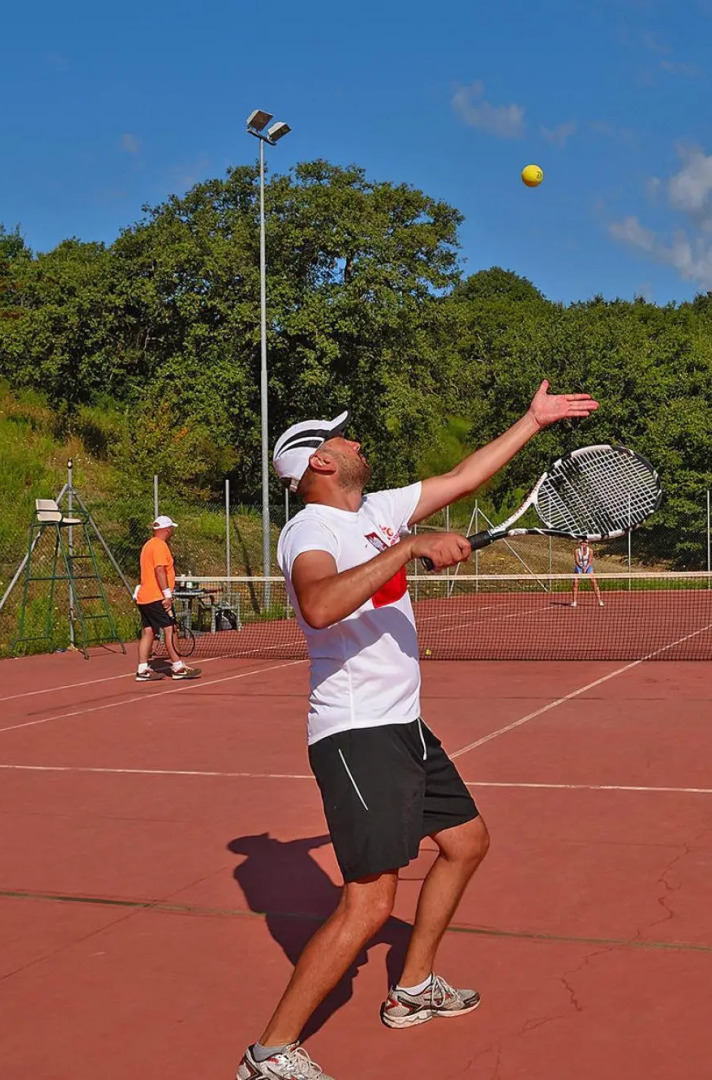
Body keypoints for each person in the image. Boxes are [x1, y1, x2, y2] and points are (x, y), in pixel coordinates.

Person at [237, 380, 598, 1080]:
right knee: (370, 906)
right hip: (356, 732)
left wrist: (532, 420)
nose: (356, 440)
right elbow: (317, 605)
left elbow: (464, 476)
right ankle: (270, 1052)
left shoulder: (375, 510)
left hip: (402, 724)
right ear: (319, 463)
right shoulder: (311, 532)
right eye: (343, 437)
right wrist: (407, 551)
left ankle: (411, 989)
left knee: (466, 843)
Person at [134, 515, 201, 681]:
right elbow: (159, 570)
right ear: (166, 530)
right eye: (171, 528)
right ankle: (178, 667)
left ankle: (143, 669)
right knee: (170, 629)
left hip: (144, 597)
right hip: (156, 596)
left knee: (148, 631)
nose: (172, 531)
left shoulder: (148, 545)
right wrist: (167, 595)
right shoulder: (159, 546)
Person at [569, 539, 604, 608]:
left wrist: (585, 568)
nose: (583, 544)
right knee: (575, 583)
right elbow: (576, 561)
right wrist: (581, 567)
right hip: (579, 567)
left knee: (593, 581)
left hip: (588, 567)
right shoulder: (577, 551)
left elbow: (590, 561)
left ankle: (599, 600)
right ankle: (574, 601)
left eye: (585, 543)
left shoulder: (590, 551)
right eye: (582, 543)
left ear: (587, 544)